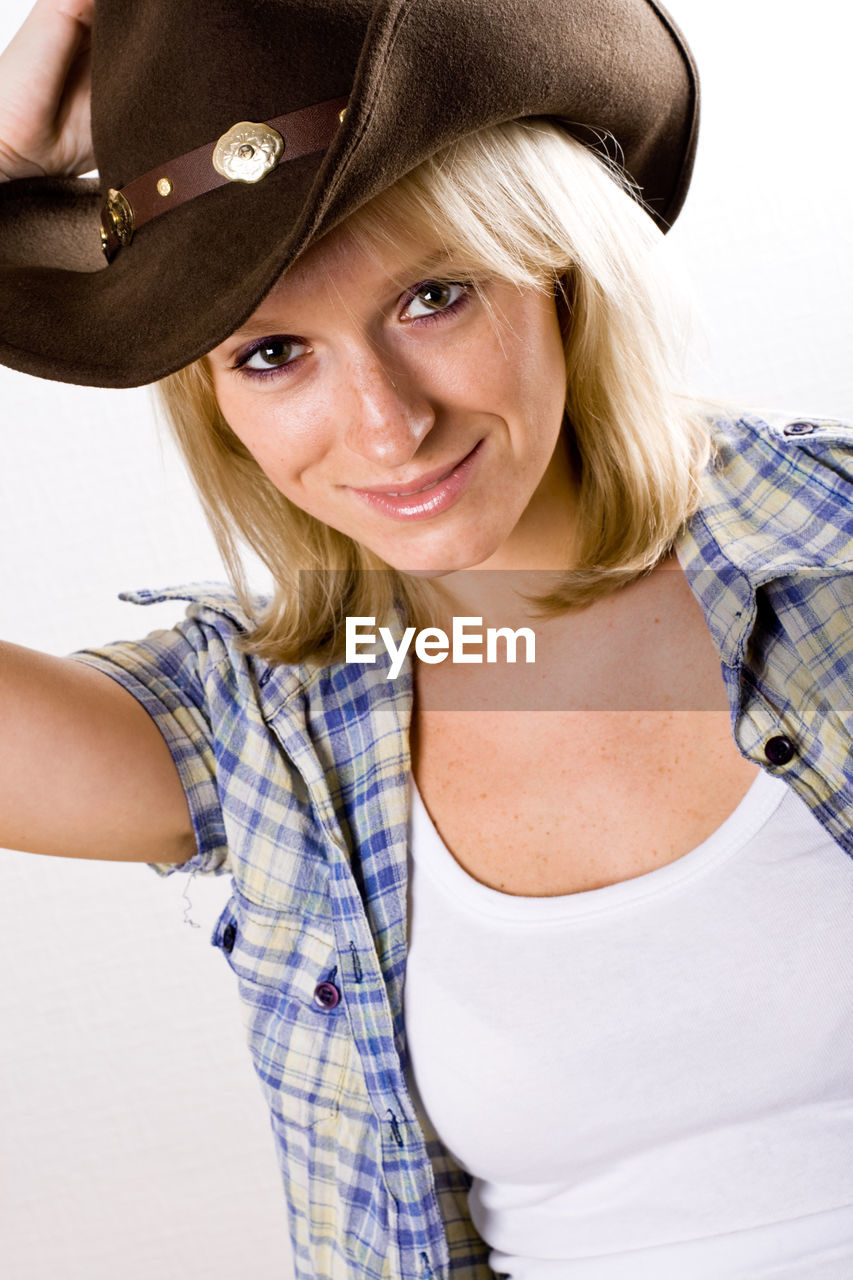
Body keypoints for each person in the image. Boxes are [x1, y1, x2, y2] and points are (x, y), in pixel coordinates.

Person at [1, 1, 851, 1278]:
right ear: (219, 407)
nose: (387, 427)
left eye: (433, 297)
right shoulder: (268, 733)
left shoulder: (830, 553)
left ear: (556, 268)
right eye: (276, 353)